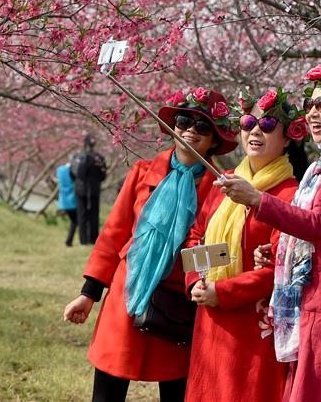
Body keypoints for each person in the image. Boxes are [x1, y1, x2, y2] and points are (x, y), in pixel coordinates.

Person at [219, 65, 321, 402]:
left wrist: (257, 201)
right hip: (308, 296)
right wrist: (280, 250)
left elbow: (320, 222)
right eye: (309, 105)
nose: (312, 112)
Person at [63, 87, 238, 402]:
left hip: (178, 301)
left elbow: (222, 250)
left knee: (176, 390)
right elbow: (114, 234)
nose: (190, 131)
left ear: (214, 139)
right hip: (127, 294)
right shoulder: (142, 172)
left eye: (202, 127)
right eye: (184, 121)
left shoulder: (222, 186)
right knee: (107, 390)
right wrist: (89, 294)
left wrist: (190, 272)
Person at [183, 89, 308, 402]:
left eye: (267, 125)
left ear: (288, 138)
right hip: (210, 314)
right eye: (249, 122)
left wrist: (223, 292)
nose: (255, 130)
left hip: (254, 323)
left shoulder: (290, 196)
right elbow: (196, 235)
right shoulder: (222, 179)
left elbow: (284, 269)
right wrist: (197, 281)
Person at [71, 135, 108, 245]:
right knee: (94, 214)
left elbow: (73, 173)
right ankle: (93, 239)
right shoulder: (99, 158)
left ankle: (83, 241)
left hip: (80, 189)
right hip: (94, 190)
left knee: (81, 214)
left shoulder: (77, 156)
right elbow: (103, 175)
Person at [57, 161, 79, 246]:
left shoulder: (60, 171)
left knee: (74, 221)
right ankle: (69, 241)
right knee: (76, 221)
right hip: (72, 201)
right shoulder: (71, 172)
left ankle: (69, 241)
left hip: (63, 201)